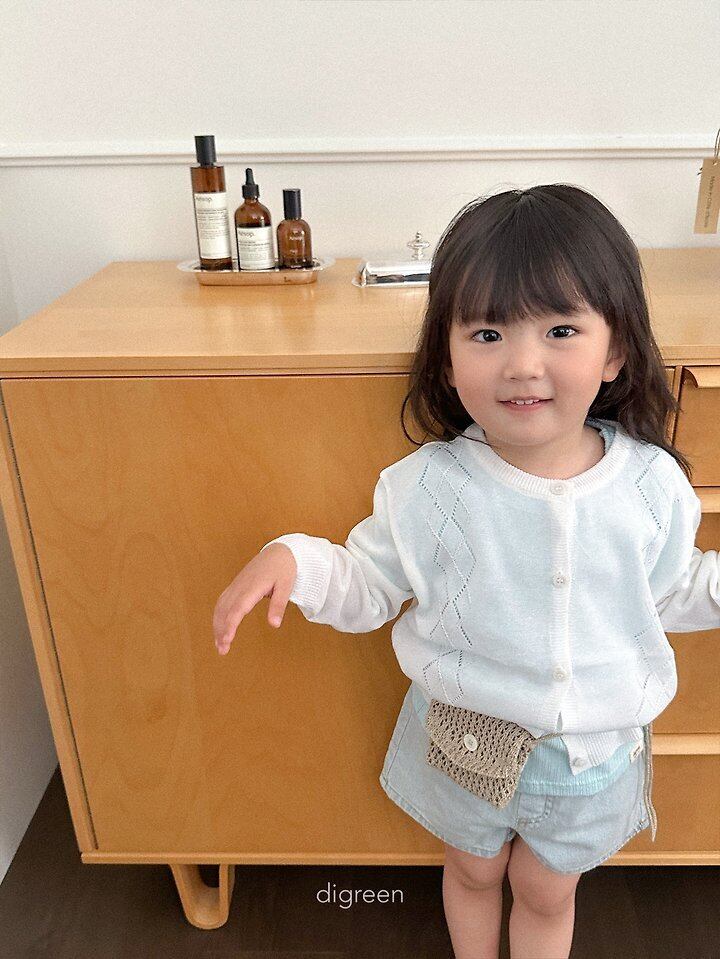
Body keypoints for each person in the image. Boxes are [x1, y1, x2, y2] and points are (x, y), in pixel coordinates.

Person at [212, 184, 720, 959]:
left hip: (590, 754)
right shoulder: (429, 486)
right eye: (487, 333)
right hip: (462, 736)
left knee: (547, 891)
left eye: (560, 330)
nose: (522, 364)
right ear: (447, 361)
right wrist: (297, 560)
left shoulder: (650, 485)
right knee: (473, 869)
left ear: (615, 350)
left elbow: (674, 589)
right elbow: (369, 584)